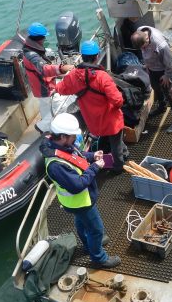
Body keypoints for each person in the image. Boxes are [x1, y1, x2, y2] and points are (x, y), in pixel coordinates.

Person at [40, 113, 121, 269]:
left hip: (77, 203)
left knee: (82, 223)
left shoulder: (58, 145)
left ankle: (88, 245)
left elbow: (76, 155)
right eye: (72, 136)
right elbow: (78, 185)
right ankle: (99, 258)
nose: (74, 139)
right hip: (80, 202)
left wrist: (91, 156)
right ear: (63, 136)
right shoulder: (56, 165)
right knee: (96, 230)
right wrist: (95, 167)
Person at [53, 40, 128, 173]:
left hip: (93, 122)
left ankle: (111, 157)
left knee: (107, 140)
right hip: (111, 120)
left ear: (82, 56)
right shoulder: (102, 77)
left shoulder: (73, 76)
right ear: (97, 56)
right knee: (116, 143)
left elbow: (61, 88)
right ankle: (118, 167)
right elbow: (117, 101)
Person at [22, 22, 74, 133]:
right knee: (57, 108)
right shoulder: (32, 55)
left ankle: (46, 127)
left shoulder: (29, 48)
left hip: (38, 86)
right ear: (40, 39)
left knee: (45, 108)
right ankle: (42, 126)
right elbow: (44, 69)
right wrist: (62, 68)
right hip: (43, 87)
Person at [130, 26, 172, 133]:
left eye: (143, 47)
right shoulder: (141, 32)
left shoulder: (160, 44)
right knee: (155, 87)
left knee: (169, 93)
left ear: (148, 39)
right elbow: (143, 51)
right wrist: (147, 65)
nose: (142, 50)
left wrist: (167, 75)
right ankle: (162, 107)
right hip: (152, 68)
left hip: (164, 70)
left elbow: (170, 62)